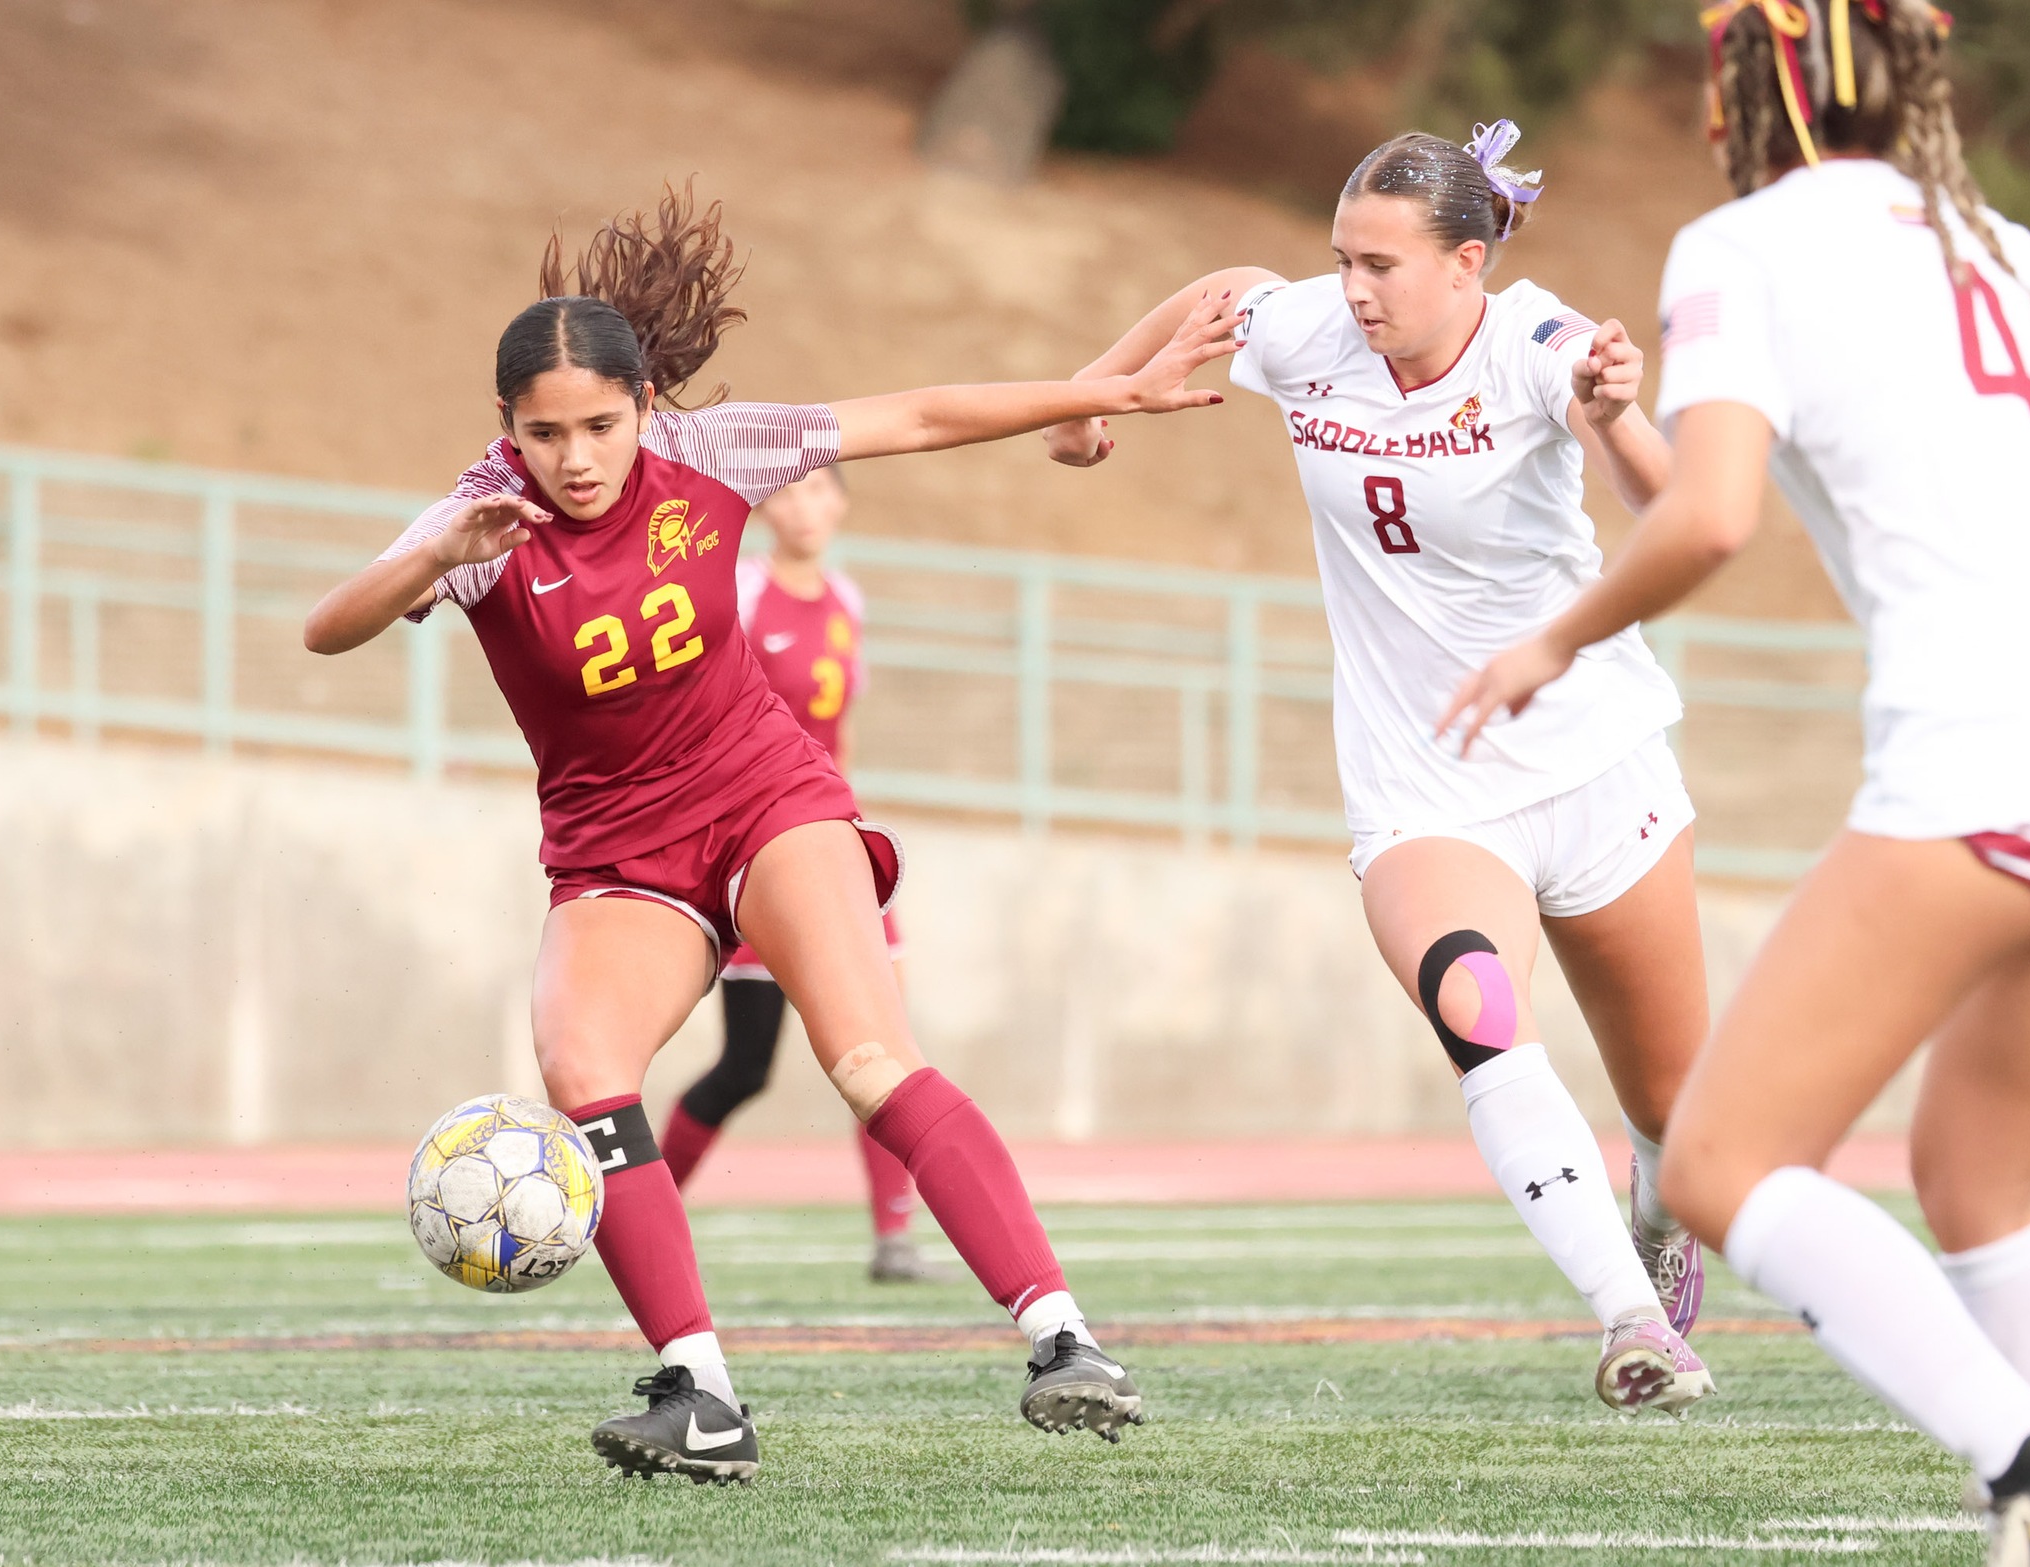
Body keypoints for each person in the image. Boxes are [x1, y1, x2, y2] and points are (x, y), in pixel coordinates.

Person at [305, 186, 1238, 1483]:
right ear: (505, 428)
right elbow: (329, 626)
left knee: (867, 1061)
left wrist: (1100, 390)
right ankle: (700, 1392)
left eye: (598, 426)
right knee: (583, 1067)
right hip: (618, 856)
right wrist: (429, 558)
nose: (574, 458)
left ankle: (1061, 1337)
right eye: (543, 433)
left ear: (643, 409)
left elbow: (912, 415)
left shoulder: (712, 451)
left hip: (764, 800)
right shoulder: (480, 517)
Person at [1442, 2, 2030, 1559]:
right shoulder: (1994, 238)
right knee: (1975, 1175)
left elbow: (1709, 518)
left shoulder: (1740, 244)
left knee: (1714, 1160)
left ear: (1741, 98)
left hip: (1991, 750)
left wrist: (1549, 643)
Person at [1048, 120, 1715, 1414]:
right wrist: (1090, 402)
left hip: (1594, 759)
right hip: (1425, 789)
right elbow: (1222, 292)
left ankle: (1654, 1201)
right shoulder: (1314, 331)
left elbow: (1676, 506)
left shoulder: (1538, 346)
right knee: (1476, 1011)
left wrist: (1615, 415)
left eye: (1380, 266)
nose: (1351, 290)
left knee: (1673, 1101)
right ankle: (1629, 1321)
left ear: (1466, 263)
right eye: (1340, 258)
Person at [658, 464, 945, 1282]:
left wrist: (851, 825)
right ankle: (640, 1209)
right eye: (786, 491)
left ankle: (894, 1239)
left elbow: (837, 734)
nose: (803, 505)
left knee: (885, 1050)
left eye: (820, 490)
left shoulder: (849, 602)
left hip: (835, 843)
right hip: (754, 846)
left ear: (842, 503)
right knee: (746, 1065)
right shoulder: (739, 589)